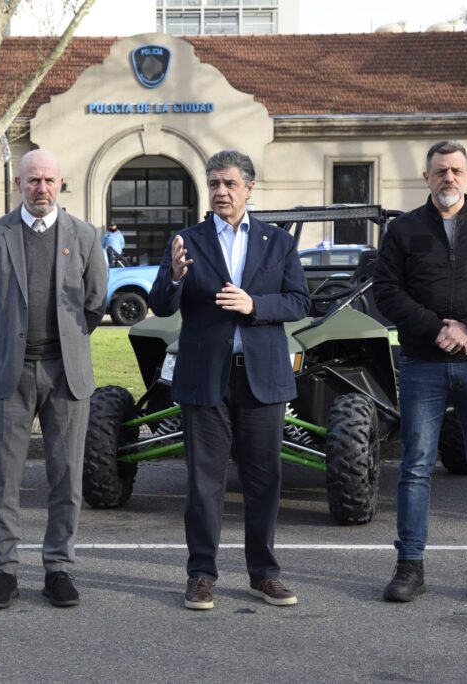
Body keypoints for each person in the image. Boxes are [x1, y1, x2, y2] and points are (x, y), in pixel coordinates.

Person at [149, 150, 310, 611]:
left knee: (264, 480)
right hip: (206, 378)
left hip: (262, 379)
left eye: (230, 184)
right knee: (203, 482)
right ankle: (201, 575)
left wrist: (254, 305)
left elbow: (299, 302)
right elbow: (162, 305)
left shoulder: (277, 242)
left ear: (249, 188)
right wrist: (176, 277)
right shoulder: (186, 240)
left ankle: (264, 574)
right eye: (214, 183)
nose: (221, 191)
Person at [373, 140, 467, 605]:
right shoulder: (403, 230)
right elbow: (386, 291)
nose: (449, 178)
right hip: (422, 365)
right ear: (426, 177)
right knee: (415, 468)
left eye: (457, 170)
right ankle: (409, 568)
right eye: (440, 171)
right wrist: (434, 327)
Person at [0, 149, 108, 610]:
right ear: (18, 185)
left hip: (66, 374)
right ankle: (4, 570)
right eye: (32, 181)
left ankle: (58, 568)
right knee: (3, 479)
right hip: (10, 372)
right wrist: (4, 341)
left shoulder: (85, 236)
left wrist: (63, 343)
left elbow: (95, 302)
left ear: (60, 184)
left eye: (48, 180)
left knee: (66, 477)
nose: (40, 188)